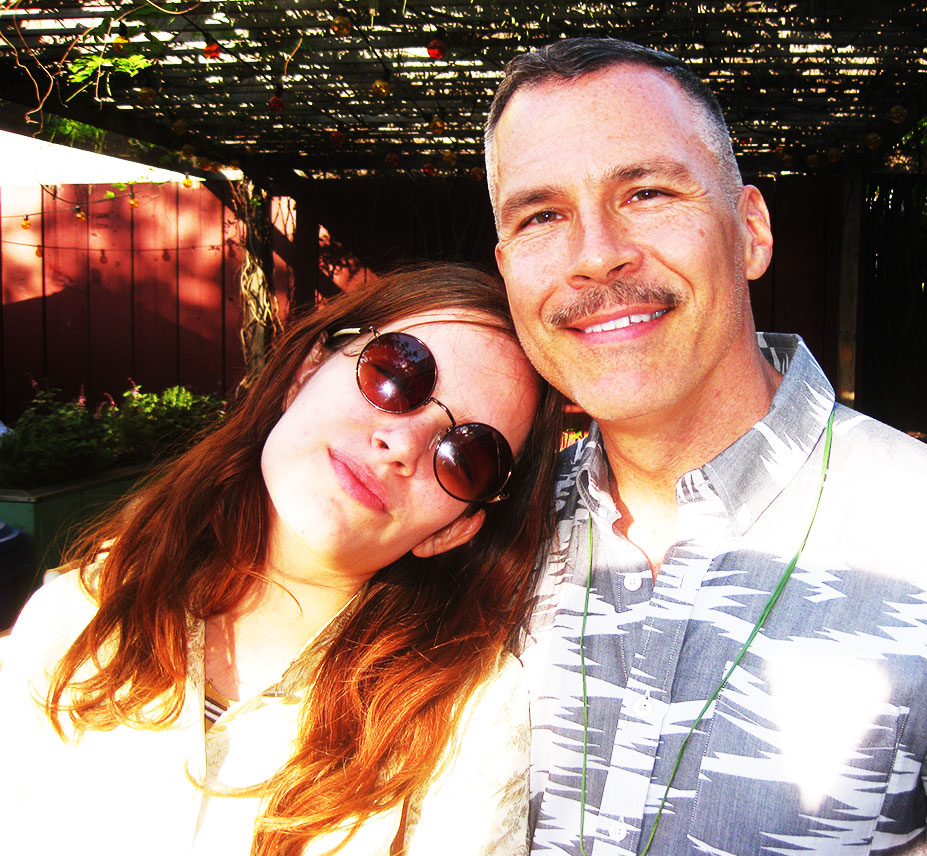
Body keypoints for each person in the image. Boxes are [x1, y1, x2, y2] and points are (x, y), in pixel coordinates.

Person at [484, 37, 927, 855]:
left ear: (751, 230)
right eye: (542, 216)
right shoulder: (488, 536)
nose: (595, 254)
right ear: (506, 268)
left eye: (647, 192)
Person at [0, 264, 563, 855]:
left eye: (469, 456)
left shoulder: (468, 724)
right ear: (307, 371)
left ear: (453, 529)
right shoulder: (77, 616)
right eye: (396, 374)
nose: (401, 445)